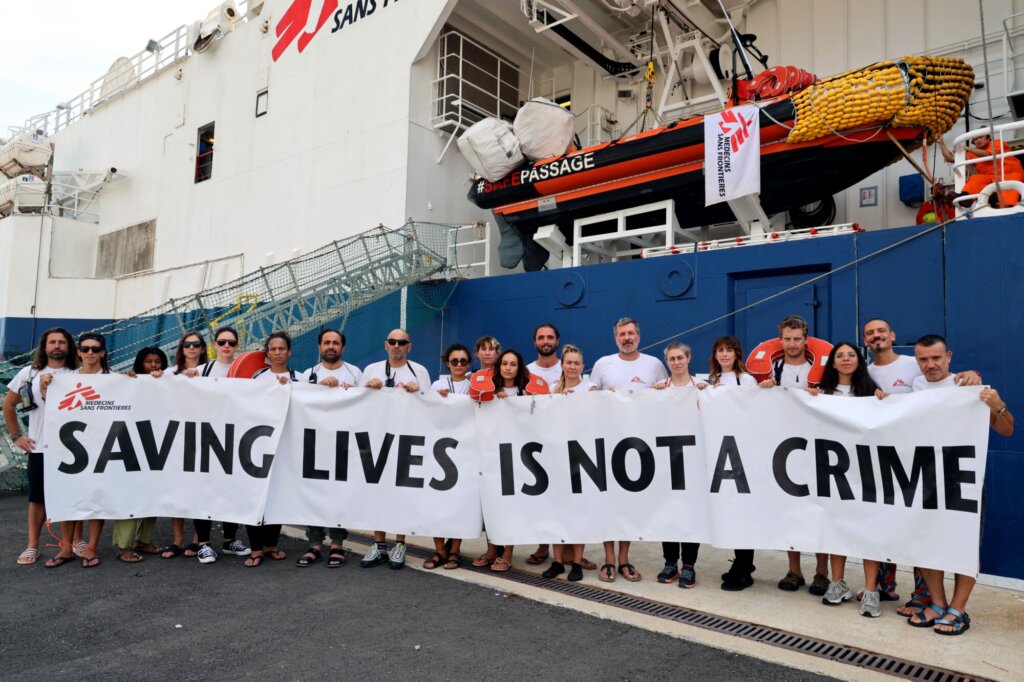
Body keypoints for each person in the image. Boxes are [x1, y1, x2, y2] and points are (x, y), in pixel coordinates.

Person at [862, 318, 981, 609]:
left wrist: (973, 375)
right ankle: (884, 586)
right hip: (892, 458)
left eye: (881, 331)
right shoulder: (867, 372)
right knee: (890, 524)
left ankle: (924, 596)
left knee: (924, 530)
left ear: (893, 335)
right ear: (865, 340)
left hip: (933, 461)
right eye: (870, 333)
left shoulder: (913, 366)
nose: (876, 336)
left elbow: (948, 379)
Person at [906, 334, 1014, 635]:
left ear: (949, 357)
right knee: (926, 542)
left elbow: (1007, 429)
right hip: (924, 476)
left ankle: (958, 609)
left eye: (936, 358)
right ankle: (938, 603)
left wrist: (998, 405)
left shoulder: (969, 387)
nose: (930, 364)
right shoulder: (914, 387)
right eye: (923, 359)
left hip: (963, 478)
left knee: (964, 543)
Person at [806, 343, 886, 613]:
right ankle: (837, 583)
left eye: (851, 355)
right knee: (835, 528)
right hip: (834, 470)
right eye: (839, 355)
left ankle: (871, 590)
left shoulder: (871, 392)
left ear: (859, 361)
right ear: (833, 362)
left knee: (868, 531)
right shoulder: (822, 392)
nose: (845, 359)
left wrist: (885, 402)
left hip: (865, 471)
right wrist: (810, 398)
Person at [758, 315, 831, 596]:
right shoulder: (772, 369)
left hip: (817, 445)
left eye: (797, 339)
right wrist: (763, 390)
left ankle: (822, 572)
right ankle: (794, 570)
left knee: (820, 511)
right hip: (785, 447)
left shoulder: (821, 368)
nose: (792, 344)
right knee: (790, 510)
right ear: (780, 340)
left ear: (805, 339)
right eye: (787, 339)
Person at [590, 317, 667, 582]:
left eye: (631, 333)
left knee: (629, 502)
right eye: (622, 334)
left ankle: (624, 559)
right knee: (607, 501)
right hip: (608, 442)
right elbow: (589, 396)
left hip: (639, 446)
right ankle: (608, 559)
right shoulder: (603, 364)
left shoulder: (654, 365)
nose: (627, 338)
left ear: (638, 336)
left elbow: (668, 396)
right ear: (616, 338)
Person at [4, 329, 77, 566]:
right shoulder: (29, 373)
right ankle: (32, 545)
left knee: (73, 495)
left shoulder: (78, 373)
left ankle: (74, 542)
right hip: (41, 447)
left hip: (72, 448)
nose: (57, 346)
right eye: (52, 342)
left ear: (69, 346)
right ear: (44, 347)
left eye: (62, 342)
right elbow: (9, 405)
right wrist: (17, 436)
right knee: (37, 498)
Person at [361, 328, 432, 570]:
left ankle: (400, 544)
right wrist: (368, 388)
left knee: (402, 492)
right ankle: (379, 544)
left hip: (406, 440)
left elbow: (430, 405)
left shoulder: (419, 371)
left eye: (402, 342)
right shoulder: (371, 370)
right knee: (377, 491)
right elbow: (358, 403)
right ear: (386, 344)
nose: (396, 346)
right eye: (392, 341)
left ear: (409, 346)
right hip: (377, 440)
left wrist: (418, 392)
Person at [46, 333, 114, 567]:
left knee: (97, 498)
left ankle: (91, 547)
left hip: (103, 447)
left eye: (95, 349)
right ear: (78, 352)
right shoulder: (65, 380)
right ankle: (66, 548)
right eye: (85, 349)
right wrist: (46, 387)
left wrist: (132, 380)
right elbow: (51, 406)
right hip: (72, 448)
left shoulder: (114, 379)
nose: (90, 353)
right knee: (69, 498)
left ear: (103, 353)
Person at [186, 326, 252, 564]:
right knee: (204, 490)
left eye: (231, 343)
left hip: (235, 437)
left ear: (237, 346)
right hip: (206, 437)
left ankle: (229, 540)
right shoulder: (201, 371)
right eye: (222, 342)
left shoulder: (246, 371)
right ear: (214, 345)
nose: (226, 346)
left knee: (232, 490)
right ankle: (203, 544)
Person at [296, 329, 360, 568]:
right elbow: (301, 404)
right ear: (319, 347)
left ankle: (337, 544)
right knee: (314, 493)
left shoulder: (355, 373)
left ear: (343, 348)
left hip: (344, 442)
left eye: (335, 343)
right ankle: (314, 544)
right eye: (326, 343)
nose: (331, 346)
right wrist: (319, 388)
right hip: (315, 443)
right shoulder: (309, 375)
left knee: (339, 494)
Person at [707, 336, 760, 591]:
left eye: (729, 350)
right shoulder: (713, 380)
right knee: (730, 510)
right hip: (722, 450)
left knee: (743, 510)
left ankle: (744, 568)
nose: (724, 354)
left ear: (737, 354)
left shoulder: (746, 380)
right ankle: (740, 563)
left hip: (743, 450)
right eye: (720, 350)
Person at [541, 344, 598, 582]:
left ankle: (576, 562)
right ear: (562, 365)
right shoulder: (552, 389)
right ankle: (557, 561)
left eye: (576, 363)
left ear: (583, 366)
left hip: (581, 457)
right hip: (557, 456)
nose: (572, 366)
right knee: (557, 509)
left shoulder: (590, 388)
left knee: (578, 511)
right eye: (569, 363)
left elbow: (597, 413)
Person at [244, 332, 298, 567]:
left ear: (289, 352)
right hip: (258, 443)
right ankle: (255, 549)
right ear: (267, 352)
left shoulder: (300, 378)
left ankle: (271, 546)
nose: (277, 352)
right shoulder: (258, 377)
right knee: (256, 495)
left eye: (281, 348)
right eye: (273, 349)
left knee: (277, 495)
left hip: (285, 445)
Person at [652, 342, 702, 588]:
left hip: (694, 461)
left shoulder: (702, 388)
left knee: (691, 513)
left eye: (680, 357)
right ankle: (670, 562)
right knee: (668, 511)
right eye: (672, 359)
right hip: (667, 461)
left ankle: (689, 566)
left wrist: (708, 393)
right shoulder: (659, 389)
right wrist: (654, 394)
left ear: (689, 358)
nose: (676, 362)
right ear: (667, 362)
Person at [421, 344, 474, 571]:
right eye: (455, 361)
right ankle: (440, 550)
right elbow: (428, 411)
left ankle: (454, 551)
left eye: (463, 361)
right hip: (440, 448)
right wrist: (438, 398)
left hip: (465, 449)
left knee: (459, 502)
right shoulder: (437, 385)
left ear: (468, 363)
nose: (459, 365)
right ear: (447, 363)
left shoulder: (473, 384)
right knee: (437, 502)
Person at [160, 331, 208, 559]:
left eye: (196, 344)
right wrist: (154, 378)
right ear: (181, 348)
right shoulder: (170, 373)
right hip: (176, 435)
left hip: (204, 435)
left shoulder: (210, 372)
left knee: (200, 488)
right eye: (187, 344)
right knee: (177, 489)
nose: (191, 348)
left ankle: (198, 539)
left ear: (202, 348)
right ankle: (177, 540)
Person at [525, 323, 562, 566]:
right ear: (535, 342)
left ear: (557, 341)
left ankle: (569, 546)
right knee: (540, 495)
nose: (545, 341)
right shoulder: (526, 371)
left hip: (562, 441)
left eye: (550, 337)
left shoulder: (568, 366)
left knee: (565, 494)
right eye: (541, 337)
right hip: (535, 441)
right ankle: (543, 544)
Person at [938, 131, 1024, 207]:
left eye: (980, 137)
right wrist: (941, 143)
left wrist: (968, 148)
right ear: (973, 143)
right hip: (990, 178)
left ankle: (1009, 208)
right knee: (976, 178)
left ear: (988, 138)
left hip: (1010, 174)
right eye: (975, 139)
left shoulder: (997, 143)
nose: (978, 140)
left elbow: (987, 154)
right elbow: (951, 159)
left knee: (1008, 199)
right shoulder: (972, 153)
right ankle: (966, 198)